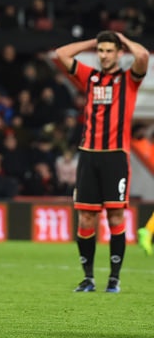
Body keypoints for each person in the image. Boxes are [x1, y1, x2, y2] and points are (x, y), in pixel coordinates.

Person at [54, 30, 149, 293]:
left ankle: (114, 279)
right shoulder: (90, 76)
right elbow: (61, 53)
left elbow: (142, 55)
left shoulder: (128, 79)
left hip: (115, 156)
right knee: (86, 218)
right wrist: (92, 41)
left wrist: (123, 39)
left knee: (115, 215)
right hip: (88, 155)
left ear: (119, 53)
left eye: (109, 50)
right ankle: (88, 278)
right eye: (101, 50)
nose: (104, 55)